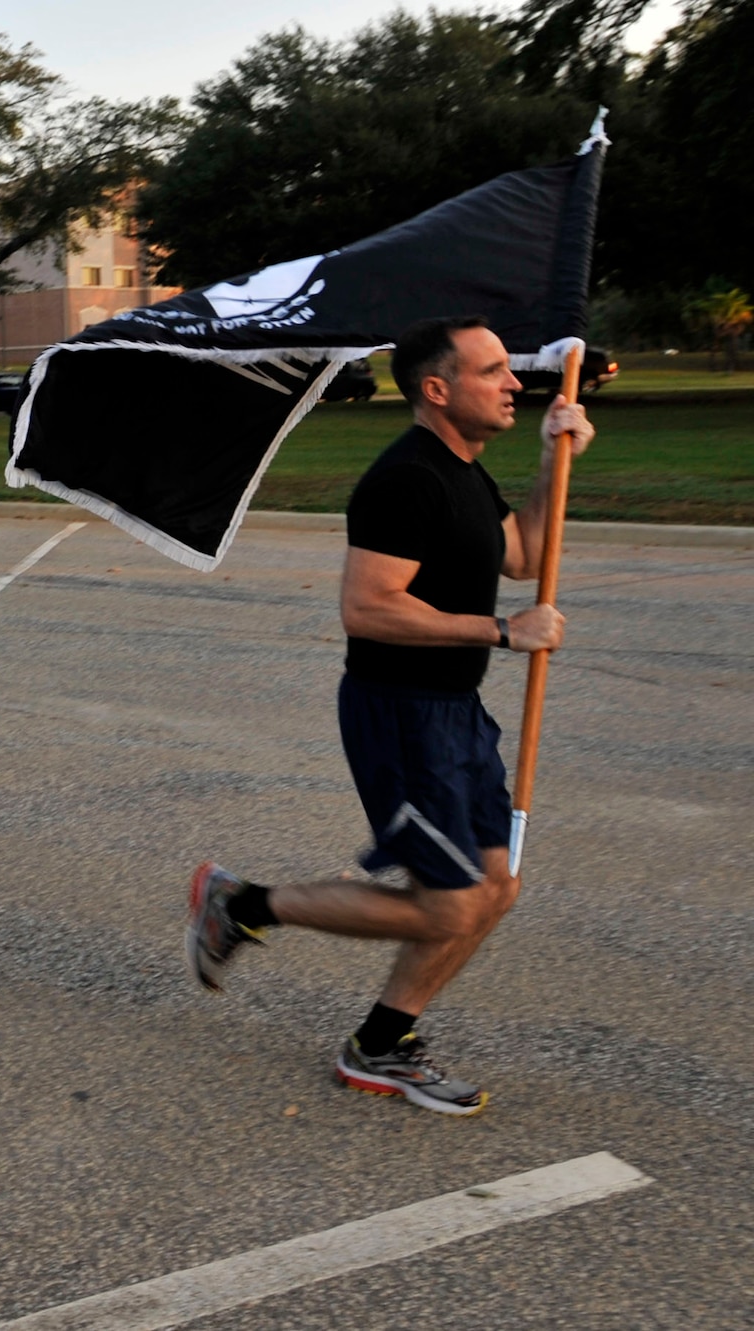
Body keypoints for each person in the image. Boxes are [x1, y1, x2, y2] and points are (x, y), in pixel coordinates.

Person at [187, 316, 594, 1116]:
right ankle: (242, 905)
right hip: (402, 716)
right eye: (492, 371)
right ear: (437, 389)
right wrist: (503, 630)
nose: (514, 381)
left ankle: (380, 1043)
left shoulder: (464, 471)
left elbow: (522, 553)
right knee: (452, 903)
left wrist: (555, 457)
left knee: (495, 889)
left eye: (510, 370)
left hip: (455, 710)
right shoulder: (407, 479)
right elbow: (369, 608)